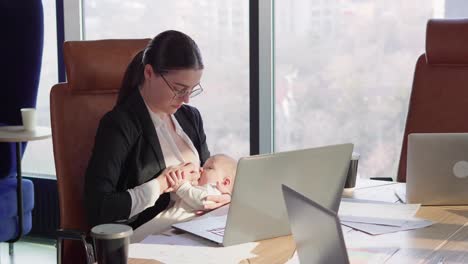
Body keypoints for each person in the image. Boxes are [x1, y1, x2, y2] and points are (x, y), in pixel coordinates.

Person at [84, 30, 231, 233]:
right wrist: (161, 184)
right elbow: (99, 209)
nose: (186, 99)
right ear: (149, 73)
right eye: (179, 89)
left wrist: (223, 196)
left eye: (191, 89)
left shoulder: (190, 117)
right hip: (147, 239)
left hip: (197, 231)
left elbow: (208, 177)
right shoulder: (119, 125)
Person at [130, 154, 237, 243]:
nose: (200, 169)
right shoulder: (203, 188)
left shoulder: (215, 190)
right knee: (138, 238)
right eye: (203, 166)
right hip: (165, 228)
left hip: (166, 229)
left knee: (138, 240)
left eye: (209, 168)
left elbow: (204, 200)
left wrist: (181, 187)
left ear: (225, 182)